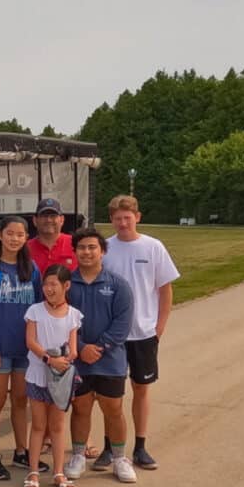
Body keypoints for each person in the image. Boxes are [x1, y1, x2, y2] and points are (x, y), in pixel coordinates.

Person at [94, 194, 180, 471]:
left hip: (143, 332)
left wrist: (159, 327)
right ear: (111, 220)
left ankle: (141, 447)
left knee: (141, 388)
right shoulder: (105, 249)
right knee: (111, 395)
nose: (123, 223)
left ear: (137, 217)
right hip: (112, 335)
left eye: (127, 218)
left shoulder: (153, 247)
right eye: (117, 218)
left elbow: (165, 289)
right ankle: (110, 447)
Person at [0, 215, 46, 481]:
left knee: (20, 399)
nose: (15, 239)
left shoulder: (32, 269)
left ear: (27, 238)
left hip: (25, 348)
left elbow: (40, 308)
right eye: (10, 233)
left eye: (20, 234)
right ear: (0, 235)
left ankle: (21, 450)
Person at [64, 228, 137, 484]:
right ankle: (78, 456)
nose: (87, 252)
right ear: (75, 252)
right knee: (80, 408)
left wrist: (100, 347)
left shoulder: (118, 285)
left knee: (113, 409)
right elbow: (60, 319)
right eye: (81, 247)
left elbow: (122, 324)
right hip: (78, 358)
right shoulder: (67, 284)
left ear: (102, 251)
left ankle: (119, 459)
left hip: (110, 359)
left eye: (92, 247)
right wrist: (81, 347)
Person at [22, 264, 83, 487]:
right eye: (46, 284)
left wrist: (64, 359)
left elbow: (74, 349)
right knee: (38, 425)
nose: (49, 289)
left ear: (66, 286)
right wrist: (49, 359)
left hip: (60, 378)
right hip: (38, 374)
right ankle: (33, 471)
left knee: (57, 426)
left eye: (53, 284)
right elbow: (31, 342)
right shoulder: (35, 311)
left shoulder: (73, 315)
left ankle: (59, 472)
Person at [27, 197, 76, 274]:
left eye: (53, 216)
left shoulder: (76, 244)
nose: (48, 220)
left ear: (62, 220)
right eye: (44, 216)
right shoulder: (25, 249)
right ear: (35, 220)